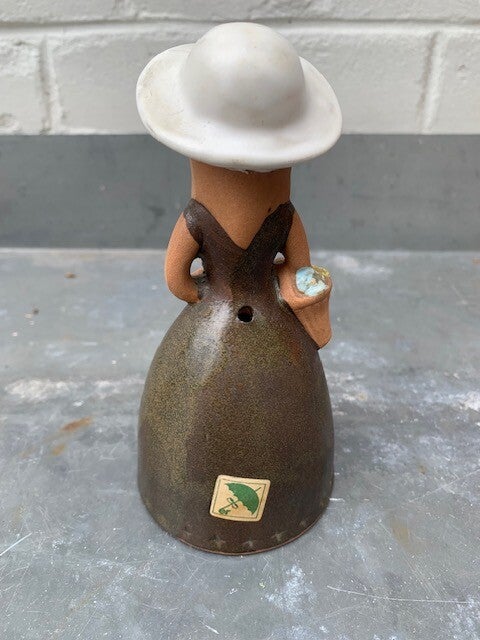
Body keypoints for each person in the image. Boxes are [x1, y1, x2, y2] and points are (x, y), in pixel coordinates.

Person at [136, 22, 342, 554]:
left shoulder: (195, 219)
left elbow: (176, 279)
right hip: (279, 325)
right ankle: (289, 497)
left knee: (191, 415)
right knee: (283, 413)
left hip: (210, 315)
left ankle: (187, 500)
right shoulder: (285, 217)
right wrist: (301, 297)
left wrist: (202, 300)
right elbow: (301, 272)